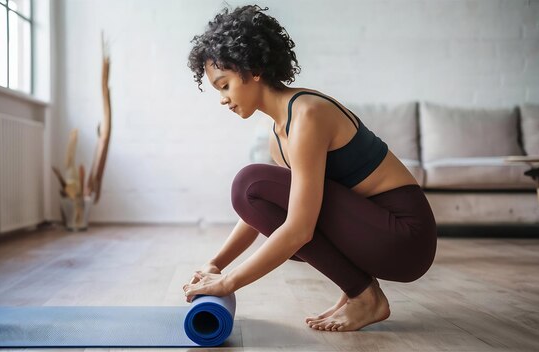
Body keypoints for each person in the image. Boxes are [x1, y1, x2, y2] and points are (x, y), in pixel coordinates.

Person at [183, 5, 437, 332]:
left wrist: (229, 283)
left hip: (404, 236)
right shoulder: (279, 134)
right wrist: (216, 263)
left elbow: (298, 226)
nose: (222, 99)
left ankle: (363, 295)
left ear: (253, 69)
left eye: (224, 84)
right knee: (256, 195)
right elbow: (259, 209)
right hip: (373, 230)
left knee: (250, 183)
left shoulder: (307, 114)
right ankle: (359, 291)